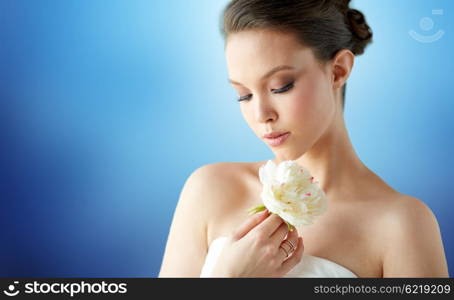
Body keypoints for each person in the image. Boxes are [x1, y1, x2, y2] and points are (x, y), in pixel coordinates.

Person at [158, 0, 449, 277]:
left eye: (281, 86)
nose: (261, 114)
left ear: (338, 71)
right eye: (243, 95)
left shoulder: (402, 225)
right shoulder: (211, 189)